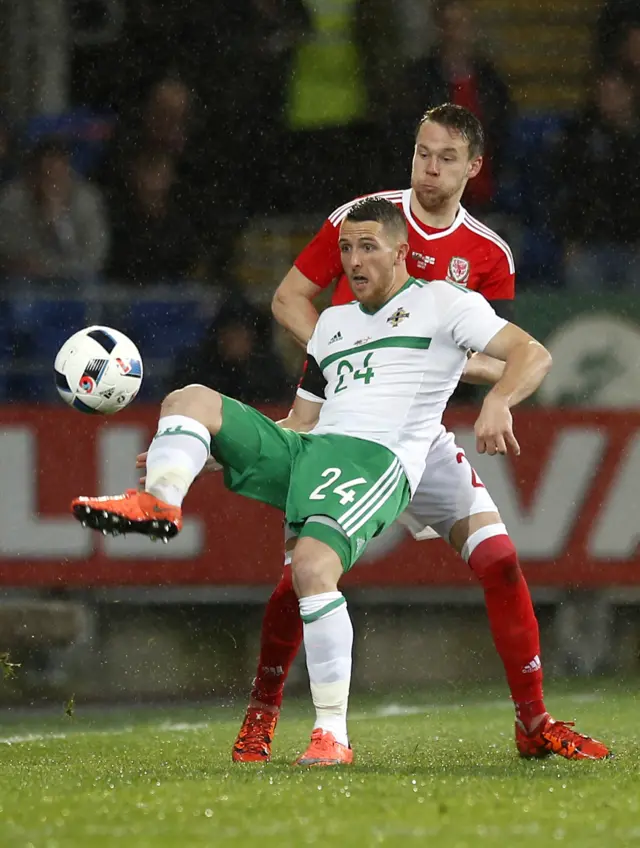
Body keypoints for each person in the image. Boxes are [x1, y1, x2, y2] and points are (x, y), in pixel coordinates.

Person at [70, 197, 585, 767]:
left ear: (402, 251)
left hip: (377, 459)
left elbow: (531, 353)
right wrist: (205, 453)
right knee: (188, 399)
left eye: (368, 247)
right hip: (313, 447)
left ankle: (332, 736)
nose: (354, 260)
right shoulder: (332, 326)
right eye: (346, 249)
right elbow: (300, 421)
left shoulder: (445, 302)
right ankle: (160, 501)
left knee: (314, 569)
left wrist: (498, 401)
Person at [233, 103, 558, 764]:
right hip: (349, 421)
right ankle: (263, 716)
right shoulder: (365, 219)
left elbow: (502, 354)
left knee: (499, 560)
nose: (428, 169)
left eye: (444, 158)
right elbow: (290, 298)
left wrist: (432, 362)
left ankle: (534, 723)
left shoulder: (488, 256)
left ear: (474, 166)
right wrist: (352, 355)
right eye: (420, 153)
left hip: (421, 430)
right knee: (304, 572)